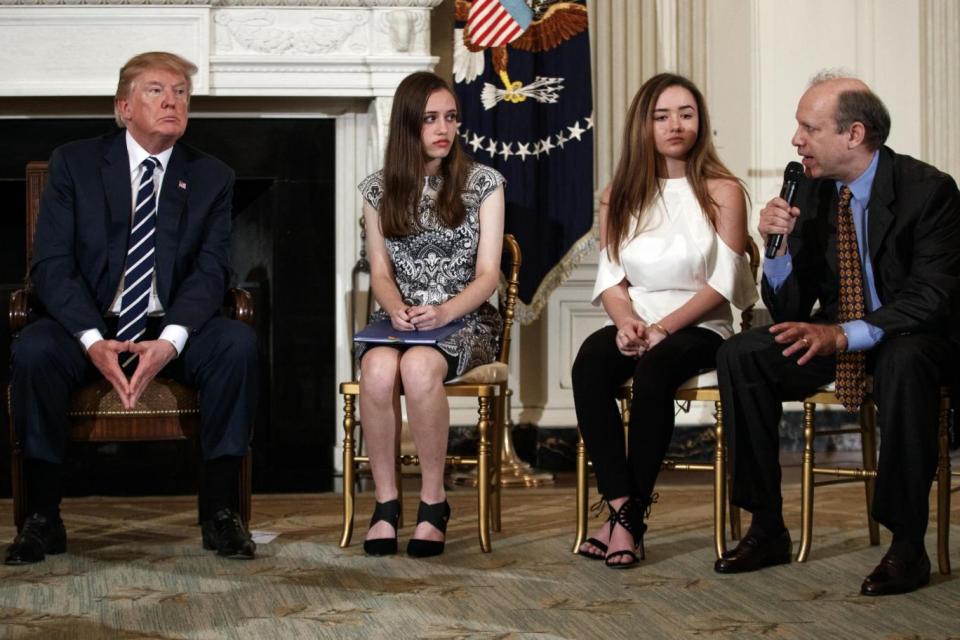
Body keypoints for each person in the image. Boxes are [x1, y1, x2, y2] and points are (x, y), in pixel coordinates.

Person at [5, 52, 258, 564]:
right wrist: (93, 341)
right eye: (156, 90)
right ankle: (42, 516)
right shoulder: (74, 164)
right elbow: (51, 266)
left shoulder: (210, 176)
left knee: (237, 344)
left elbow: (212, 273)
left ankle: (220, 513)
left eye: (182, 92)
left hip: (170, 325)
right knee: (32, 350)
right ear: (123, 107)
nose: (172, 101)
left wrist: (170, 343)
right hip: (90, 324)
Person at [714, 71, 960, 596]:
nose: (795, 140)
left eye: (808, 127)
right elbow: (789, 307)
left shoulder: (930, 191)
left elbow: (930, 298)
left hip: (912, 335)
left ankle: (907, 545)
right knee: (744, 355)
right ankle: (767, 527)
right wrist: (776, 247)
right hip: (839, 330)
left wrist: (846, 336)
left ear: (854, 134)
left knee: (904, 360)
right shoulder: (811, 188)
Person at [571, 73, 757, 569]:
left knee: (655, 372)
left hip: (700, 325)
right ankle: (622, 510)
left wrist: (662, 329)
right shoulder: (620, 194)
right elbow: (611, 275)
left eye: (686, 113)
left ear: (701, 121)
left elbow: (723, 282)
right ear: (644, 125)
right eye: (662, 115)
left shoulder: (724, 191)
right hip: (639, 320)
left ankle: (625, 524)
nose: (675, 124)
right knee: (590, 363)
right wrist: (628, 320)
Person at [355, 71, 505, 558]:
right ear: (407, 126)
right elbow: (379, 271)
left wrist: (443, 310)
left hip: (467, 317)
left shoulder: (484, 183)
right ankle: (385, 503)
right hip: (401, 320)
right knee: (376, 370)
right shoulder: (378, 191)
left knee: (419, 369)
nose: (444, 129)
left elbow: (487, 277)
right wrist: (396, 308)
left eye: (451, 118)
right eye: (430, 119)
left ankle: (434, 502)